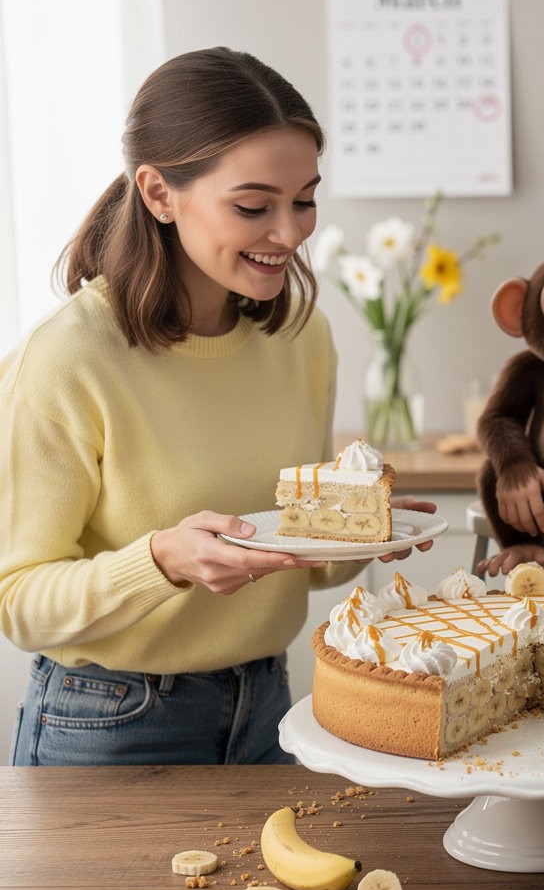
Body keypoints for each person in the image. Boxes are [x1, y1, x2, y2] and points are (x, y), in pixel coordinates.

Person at [0, 47, 434, 766]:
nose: (291, 234)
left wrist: (361, 533)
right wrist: (162, 561)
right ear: (159, 193)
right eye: (253, 206)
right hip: (109, 719)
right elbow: (18, 599)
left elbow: (297, 557)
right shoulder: (67, 358)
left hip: (270, 701)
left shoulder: (302, 337)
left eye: (304, 201)